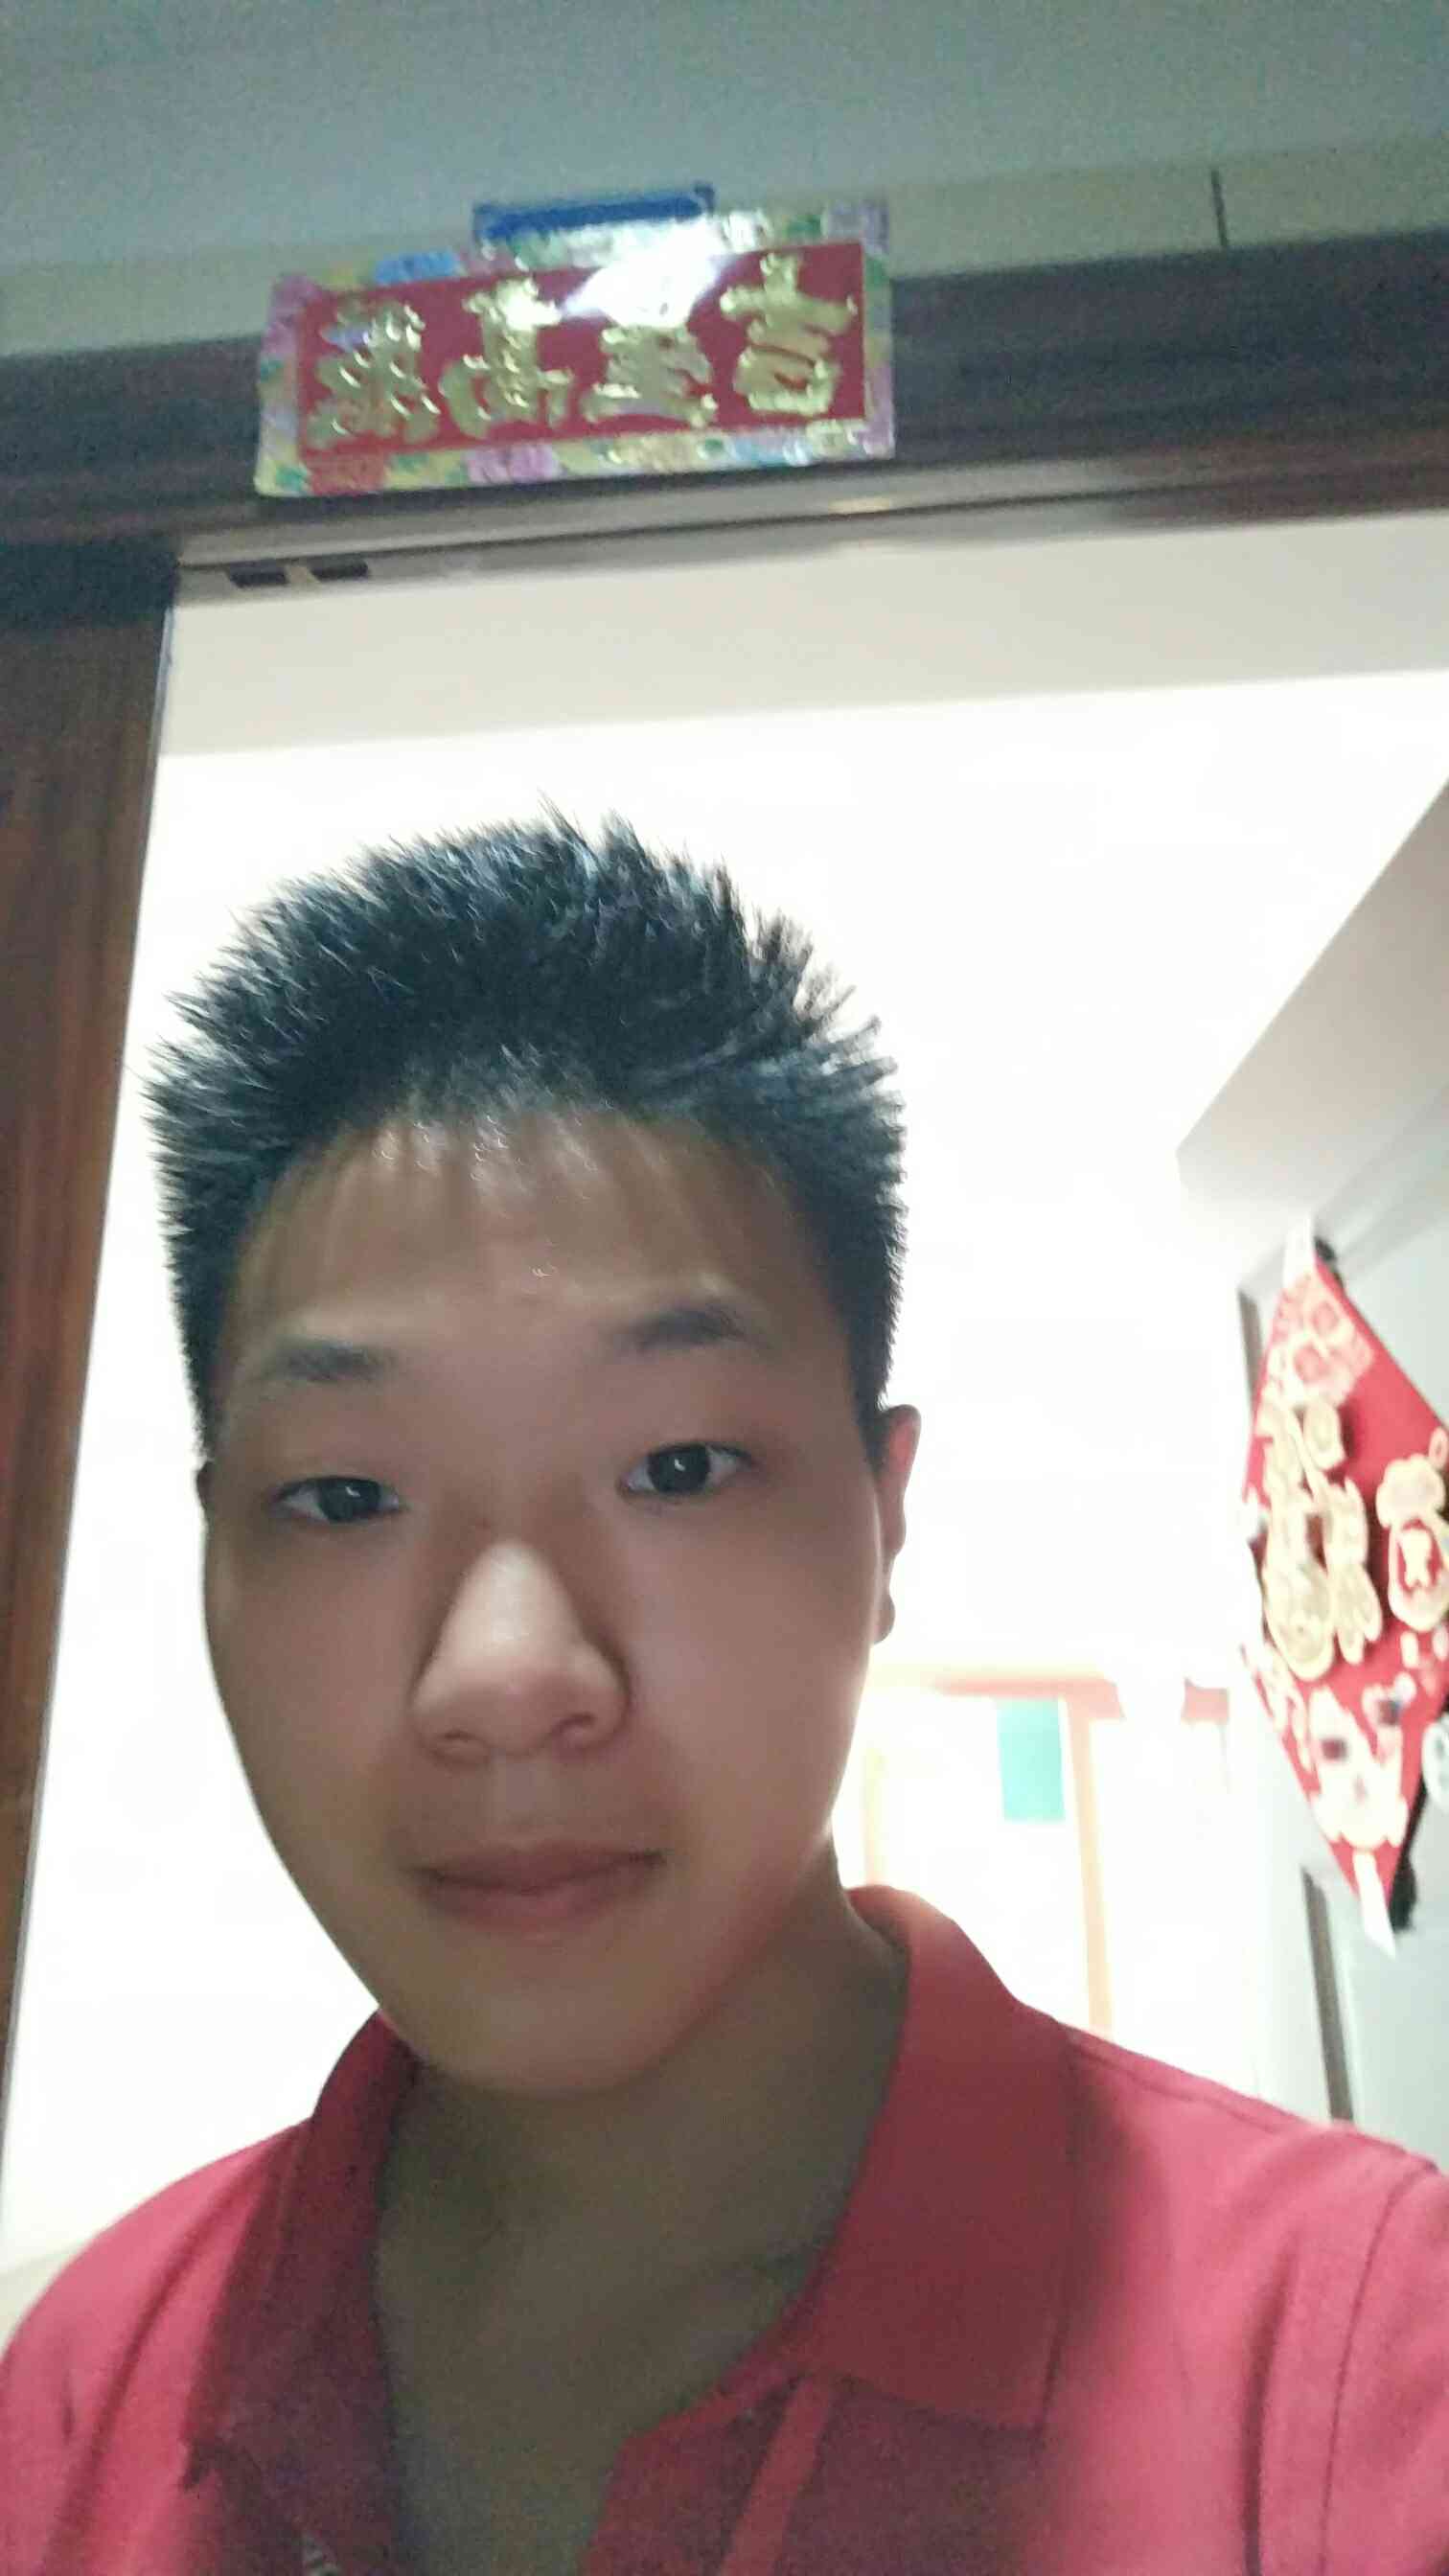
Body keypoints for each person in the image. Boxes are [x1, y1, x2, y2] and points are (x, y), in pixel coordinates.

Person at [1, 816, 1445, 2576]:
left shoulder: (1360, 2365)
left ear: (884, 1520)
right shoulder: (81, 2390)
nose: (508, 1680)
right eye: (347, 1494)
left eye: (679, 1467)